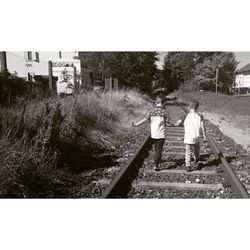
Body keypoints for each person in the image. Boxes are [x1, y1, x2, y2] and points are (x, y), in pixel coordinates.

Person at [131, 95, 173, 171]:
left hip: (154, 134)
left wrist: (136, 124)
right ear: (164, 103)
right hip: (161, 134)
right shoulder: (165, 112)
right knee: (159, 149)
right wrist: (175, 124)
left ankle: (155, 160)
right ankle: (156, 164)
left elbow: (145, 120)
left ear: (156, 103)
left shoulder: (151, 111)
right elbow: (168, 122)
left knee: (156, 148)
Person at [175, 99, 207, 172]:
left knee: (188, 151)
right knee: (197, 150)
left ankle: (188, 165)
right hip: (197, 137)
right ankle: (196, 159)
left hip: (188, 137)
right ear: (197, 107)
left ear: (189, 107)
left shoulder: (185, 115)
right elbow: (202, 127)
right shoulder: (200, 116)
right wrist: (204, 136)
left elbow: (178, 123)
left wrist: (177, 124)